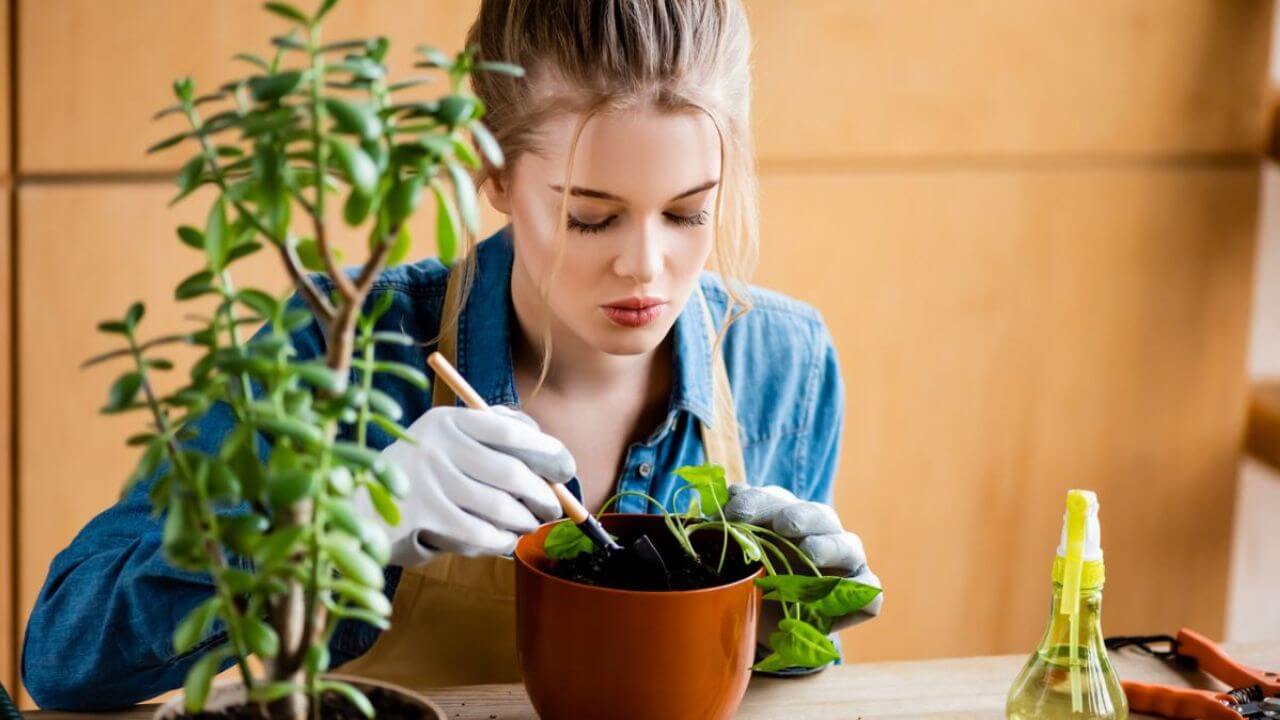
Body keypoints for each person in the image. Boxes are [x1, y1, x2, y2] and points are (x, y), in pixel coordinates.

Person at [22, 0, 881, 709]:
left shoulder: (783, 361)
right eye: (591, 216)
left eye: (690, 212)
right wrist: (341, 525)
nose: (646, 266)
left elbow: (765, 686)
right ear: (493, 172)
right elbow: (64, 654)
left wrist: (788, 628)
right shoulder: (349, 340)